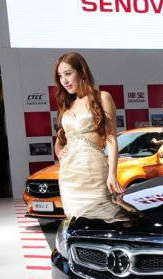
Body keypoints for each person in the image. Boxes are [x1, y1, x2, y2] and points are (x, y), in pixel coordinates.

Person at [53, 52, 129, 222]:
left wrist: (112, 174)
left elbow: (111, 139)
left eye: (68, 73)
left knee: (112, 218)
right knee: (77, 225)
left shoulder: (102, 97)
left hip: (95, 173)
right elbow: (60, 139)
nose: (64, 80)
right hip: (69, 177)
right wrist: (59, 152)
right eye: (60, 76)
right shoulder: (67, 105)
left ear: (82, 72)